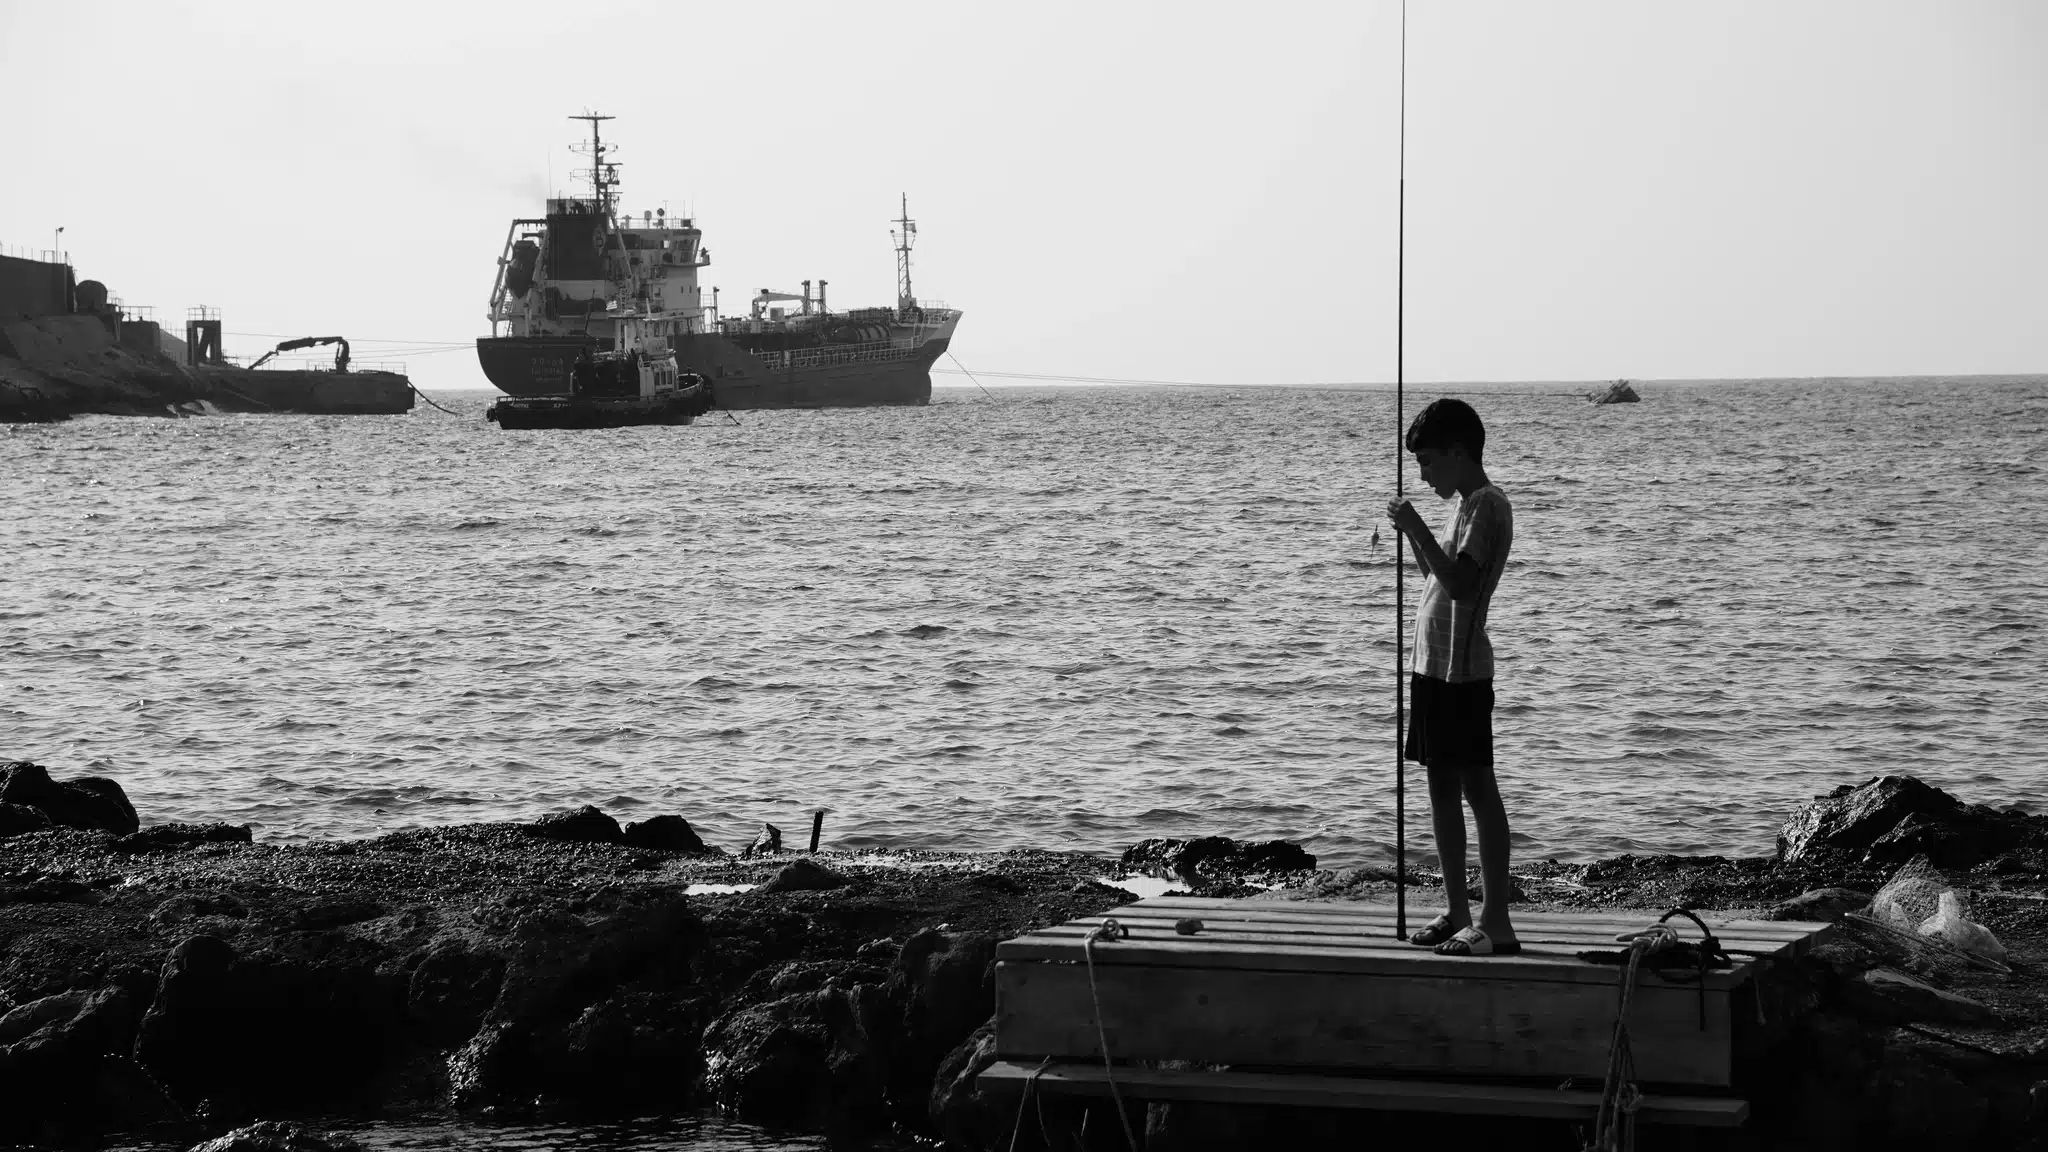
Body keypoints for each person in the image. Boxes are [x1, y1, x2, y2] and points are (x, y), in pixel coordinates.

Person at [1385, 398, 1518, 956]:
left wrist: (1416, 523)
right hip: (1432, 669)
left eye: (1428, 462)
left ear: (1459, 453)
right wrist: (1414, 532)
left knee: (1476, 788)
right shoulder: (1463, 505)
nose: (1422, 473)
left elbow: (1462, 586)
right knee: (1439, 785)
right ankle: (1458, 910)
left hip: (1462, 672)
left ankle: (1496, 921)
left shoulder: (1487, 504)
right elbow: (1436, 575)